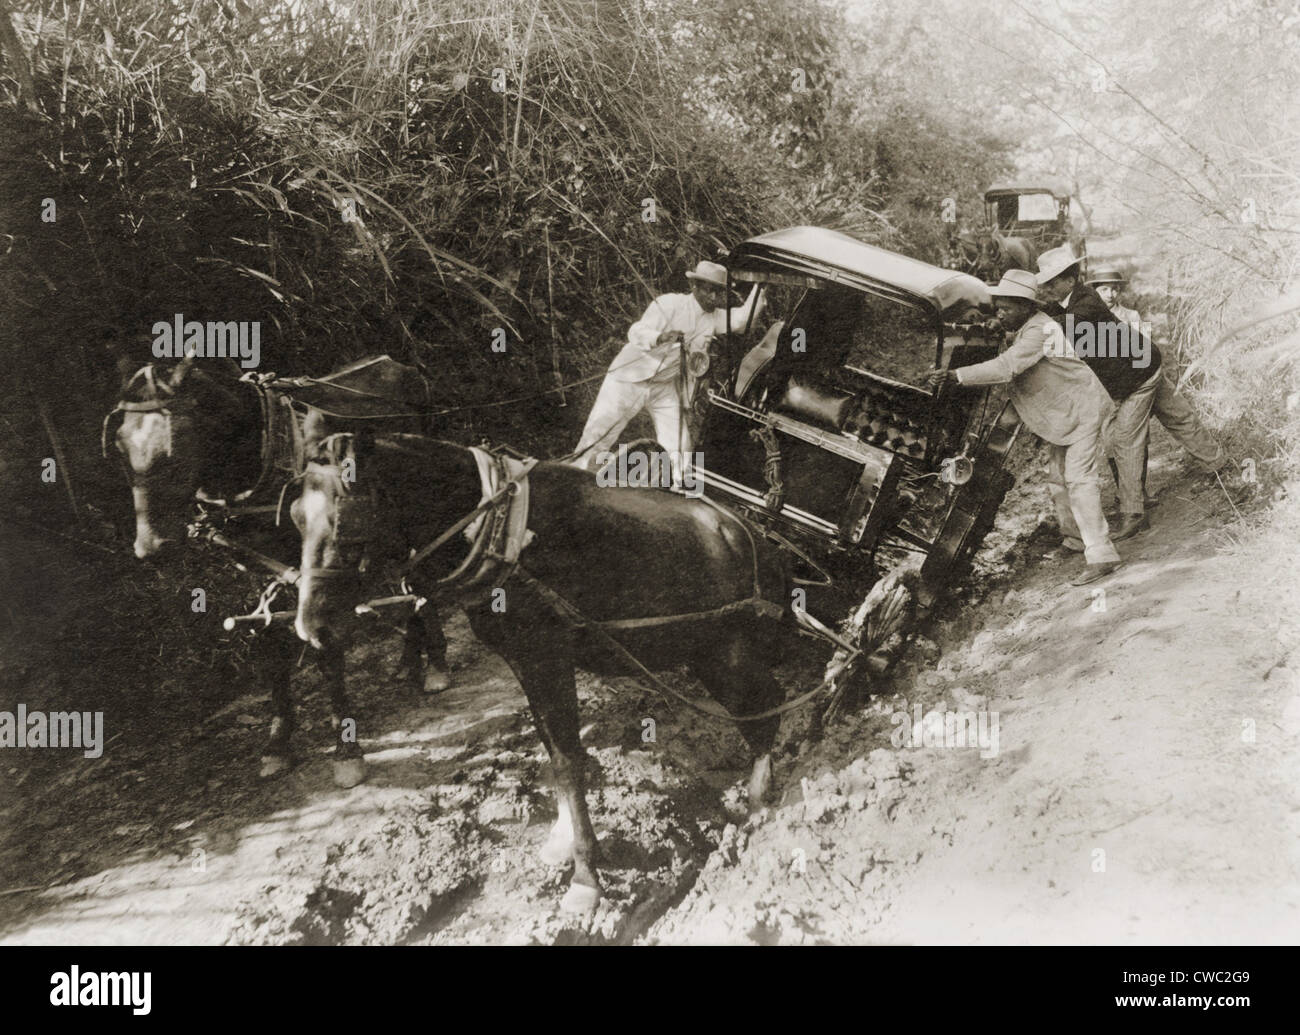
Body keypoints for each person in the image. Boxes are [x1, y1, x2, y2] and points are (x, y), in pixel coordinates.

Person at [927, 269, 1121, 586]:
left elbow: (1007, 367)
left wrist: (955, 375)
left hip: (1082, 409)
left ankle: (1102, 555)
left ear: (1025, 306)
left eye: (1006, 308)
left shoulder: (1041, 329)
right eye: (998, 307)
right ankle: (1075, 539)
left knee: (1079, 479)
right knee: (1058, 480)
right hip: (1064, 414)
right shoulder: (1027, 325)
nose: (1000, 314)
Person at [1036, 246, 1232, 541]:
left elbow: (1061, 325)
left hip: (1137, 377)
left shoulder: (1085, 302)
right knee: (1179, 417)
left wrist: (1027, 322)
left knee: (1124, 440)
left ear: (1070, 279)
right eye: (1046, 283)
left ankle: (1133, 513)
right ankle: (1221, 465)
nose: (1049, 288)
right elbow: (1054, 313)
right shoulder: (1071, 301)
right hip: (1144, 363)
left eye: (1053, 282)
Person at [572, 260, 762, 481]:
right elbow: (636, 331)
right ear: (695, 287)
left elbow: (741, 320)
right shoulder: (670, 303)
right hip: (629, 379)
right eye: (709, 291)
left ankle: (676, 491)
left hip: (663, 387)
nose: (714, 298)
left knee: (680, 446)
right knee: (598, 436)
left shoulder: (716, 317)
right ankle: (574, 479)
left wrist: (761, 285)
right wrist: (660, 337)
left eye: (719, 292)